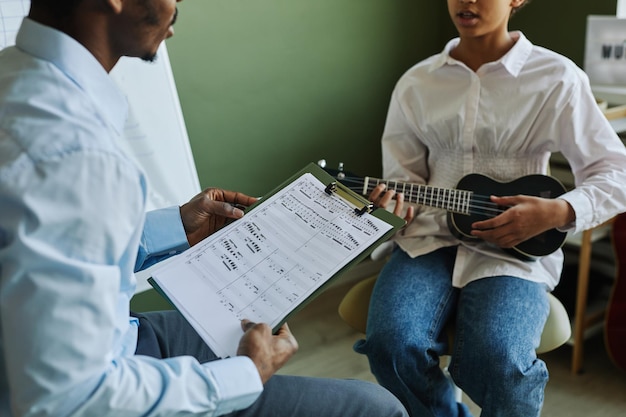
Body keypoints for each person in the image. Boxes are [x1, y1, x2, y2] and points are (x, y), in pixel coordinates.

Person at [0, 1, 410, 417]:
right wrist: (245, 374)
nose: (176, 9)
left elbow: (50, 248)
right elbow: (66, 399)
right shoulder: (76, 156)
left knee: (239, 323)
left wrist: (176, 226)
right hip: (105, 385)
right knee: (376, 408)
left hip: (118, 336)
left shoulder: (14, 77)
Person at [353, 0, 626, 416]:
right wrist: (395, 206)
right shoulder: (416, 83)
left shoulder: (557, 77)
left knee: (500, 360)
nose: (467, 1)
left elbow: (615, 171)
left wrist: (558, 212)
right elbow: (404, 179)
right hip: (429, 240)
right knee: (390, 345)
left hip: (514, 254)